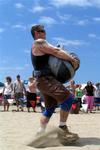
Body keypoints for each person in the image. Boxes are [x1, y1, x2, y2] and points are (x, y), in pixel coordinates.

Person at [31, 24, 79, 141]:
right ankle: (62, 129)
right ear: (36, 33)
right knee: (68, 98)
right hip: (46, 79)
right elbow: (56, 51)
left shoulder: (39, 48)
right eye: (42, 31)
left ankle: (39, 135)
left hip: (43, 81)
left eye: (44, 31)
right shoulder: (39, 42)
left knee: (50, 109)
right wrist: (72, 60)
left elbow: (40, 65)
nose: (44, 33)